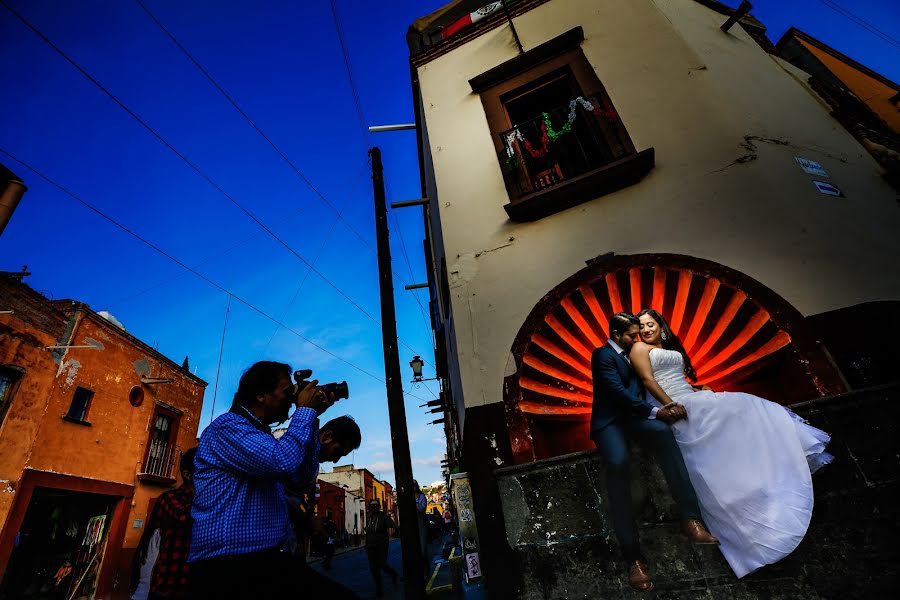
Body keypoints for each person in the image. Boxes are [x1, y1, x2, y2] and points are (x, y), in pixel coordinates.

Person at [630, 308, 833, 578]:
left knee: (742, 411)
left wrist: (696, 390)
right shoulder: (639, 350)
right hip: (673, 404)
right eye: (641, 326)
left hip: (688, 396)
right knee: (725, 430)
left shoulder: (670, 349)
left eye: (650, 324)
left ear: (661, 327)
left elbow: (677, 377)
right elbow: (647, 380)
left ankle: (769, 473)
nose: (646, 329)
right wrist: (669, 404)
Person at [188, 361, 361, 599]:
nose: (291, 399)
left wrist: (311, 418)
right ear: (260, 395)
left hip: (260, 560)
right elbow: (281, 461)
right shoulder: (228, 428)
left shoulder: (261, 435)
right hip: (229, 565)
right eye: (287, 392)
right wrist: (304, 412)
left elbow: (299, 477)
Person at [590, 312, 718, 592]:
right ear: (615, 334)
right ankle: (633, 559)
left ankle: (690, 519)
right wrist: (655, 411)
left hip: (636, 419)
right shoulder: (602, 356)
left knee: (663, 435)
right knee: (618, 461)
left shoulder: (634, 352)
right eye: (632, 335)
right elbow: (616, 393)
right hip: (610, 422)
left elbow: (651, 380)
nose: (638, 338)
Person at [131, 447, 198, 600]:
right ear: (188, 475)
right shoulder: (170, 499)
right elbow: (183, 518)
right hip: (168, 587)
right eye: (205, 468)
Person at [364, 499, 399, 598]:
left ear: (378, 507)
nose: (373, 508)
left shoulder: (383, 517)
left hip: (381, 546)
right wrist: (366, 544)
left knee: (382, 565)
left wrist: (398, 531)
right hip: (371, 547)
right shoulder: (370, 518)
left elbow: (394, 526)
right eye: (372, 506)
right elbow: (368, 532)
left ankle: (393, 574)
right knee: (373, 569)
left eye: (375, 506)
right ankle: (379, 589)